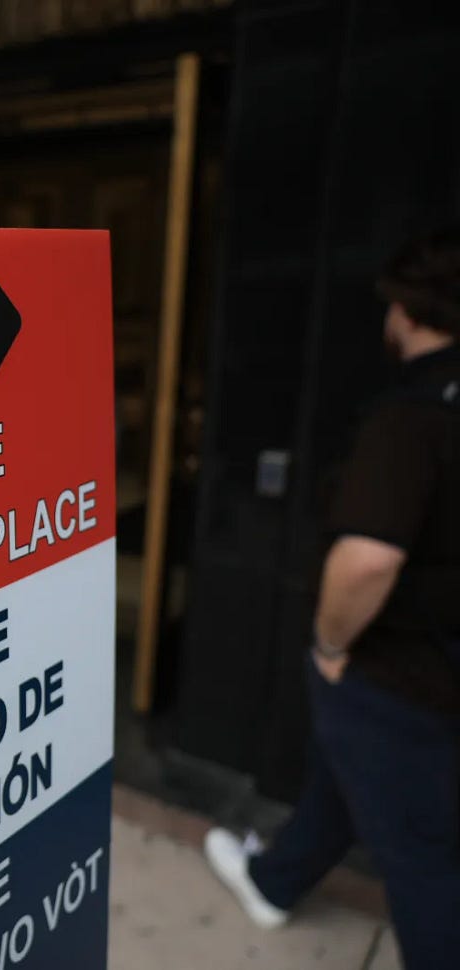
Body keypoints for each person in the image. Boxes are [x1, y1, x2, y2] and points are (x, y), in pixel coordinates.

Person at [204, 227, 460, 969]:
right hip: (432, 671)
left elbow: (367, 562)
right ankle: (274, 882)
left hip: (403, 672)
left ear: (405, 312)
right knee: (348, 771)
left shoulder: (412, 418)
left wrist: (329, 645)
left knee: (424, 863)